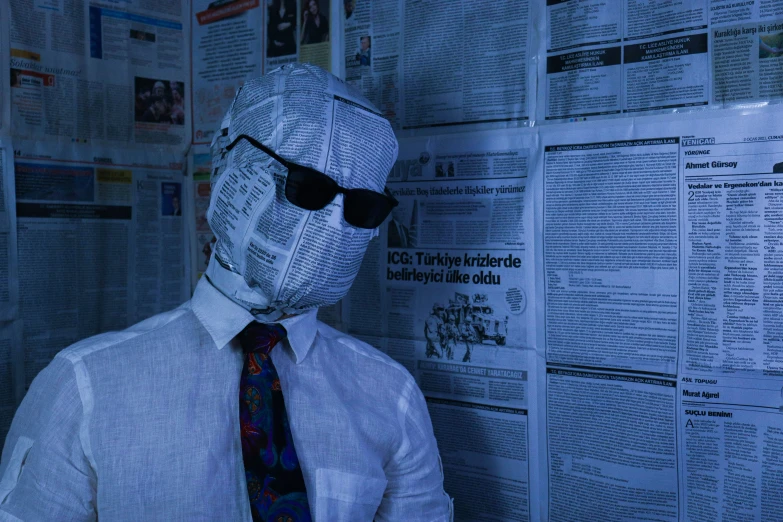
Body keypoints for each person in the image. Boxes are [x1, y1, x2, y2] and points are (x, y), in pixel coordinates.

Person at [0, 63, 452, 521]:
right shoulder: (84, 388)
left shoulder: (391, 397)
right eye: (307, 189)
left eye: (362, 206)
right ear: (227, 167)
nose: (333, 223)